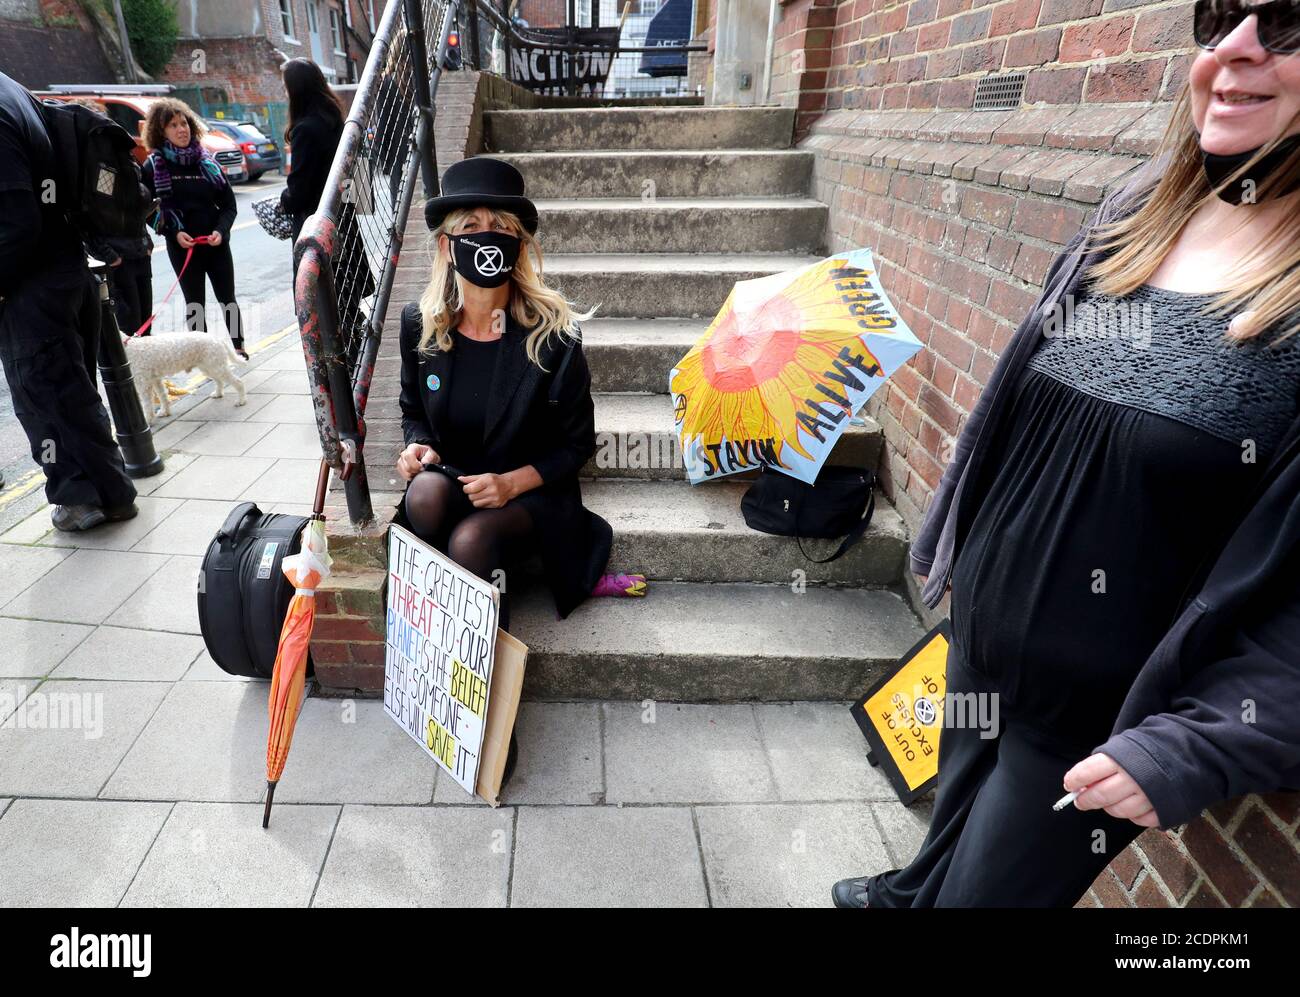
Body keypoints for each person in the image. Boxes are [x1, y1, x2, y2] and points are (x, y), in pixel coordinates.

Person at [833, 6, 1300, 907]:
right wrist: (966, 553)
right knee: (945, 835)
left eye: (1285, 22)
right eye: (1218, 15)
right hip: (980, 646)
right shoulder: (1139, 209)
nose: (1235, 46)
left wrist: (1192, 746)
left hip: (1090, 724)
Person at [396, 156, 643, 636]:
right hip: (458, 477)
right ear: (447, 246)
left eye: (501, 227)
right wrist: (417, 444)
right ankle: (433, 627)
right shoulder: (419, 325)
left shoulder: (554, 336)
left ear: (518, 245)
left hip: (529, 491)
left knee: (470, 540)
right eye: (471, 226)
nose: (486, 237)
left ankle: (477, 667)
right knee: (423, 496)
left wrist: (509, 484)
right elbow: (412, 411)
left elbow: (576, 444)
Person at [0, 71, 137, 531]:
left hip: (30, 285)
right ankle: (112, 494)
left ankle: (79, 498)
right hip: (65, 267)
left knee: (44, 398)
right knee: (71, 392)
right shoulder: (13, 90)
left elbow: (15, 221)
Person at [279, 57, 375, 347]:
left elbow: (299, 192)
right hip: (344, 219)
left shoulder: (305, 130)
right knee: (345, 298)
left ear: (296, 90)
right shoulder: (337, 122)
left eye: (285, 87)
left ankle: (342, 362)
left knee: (322, 301)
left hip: (317, 224)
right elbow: (355, 180)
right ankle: (356, 351)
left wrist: (283, 200)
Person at [141, 98, 247, 359]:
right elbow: (147, 212)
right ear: (160, 131)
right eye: (173, 125)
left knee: (228, 299)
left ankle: (239, 349)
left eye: (184, 123)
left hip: (215, 244)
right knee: (195, 303)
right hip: (183, 248)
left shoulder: (207, 162)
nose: (182, 129)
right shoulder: (153, 167)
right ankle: (203, 356)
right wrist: (173, 233)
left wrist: (221, 231)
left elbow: (229, 206)